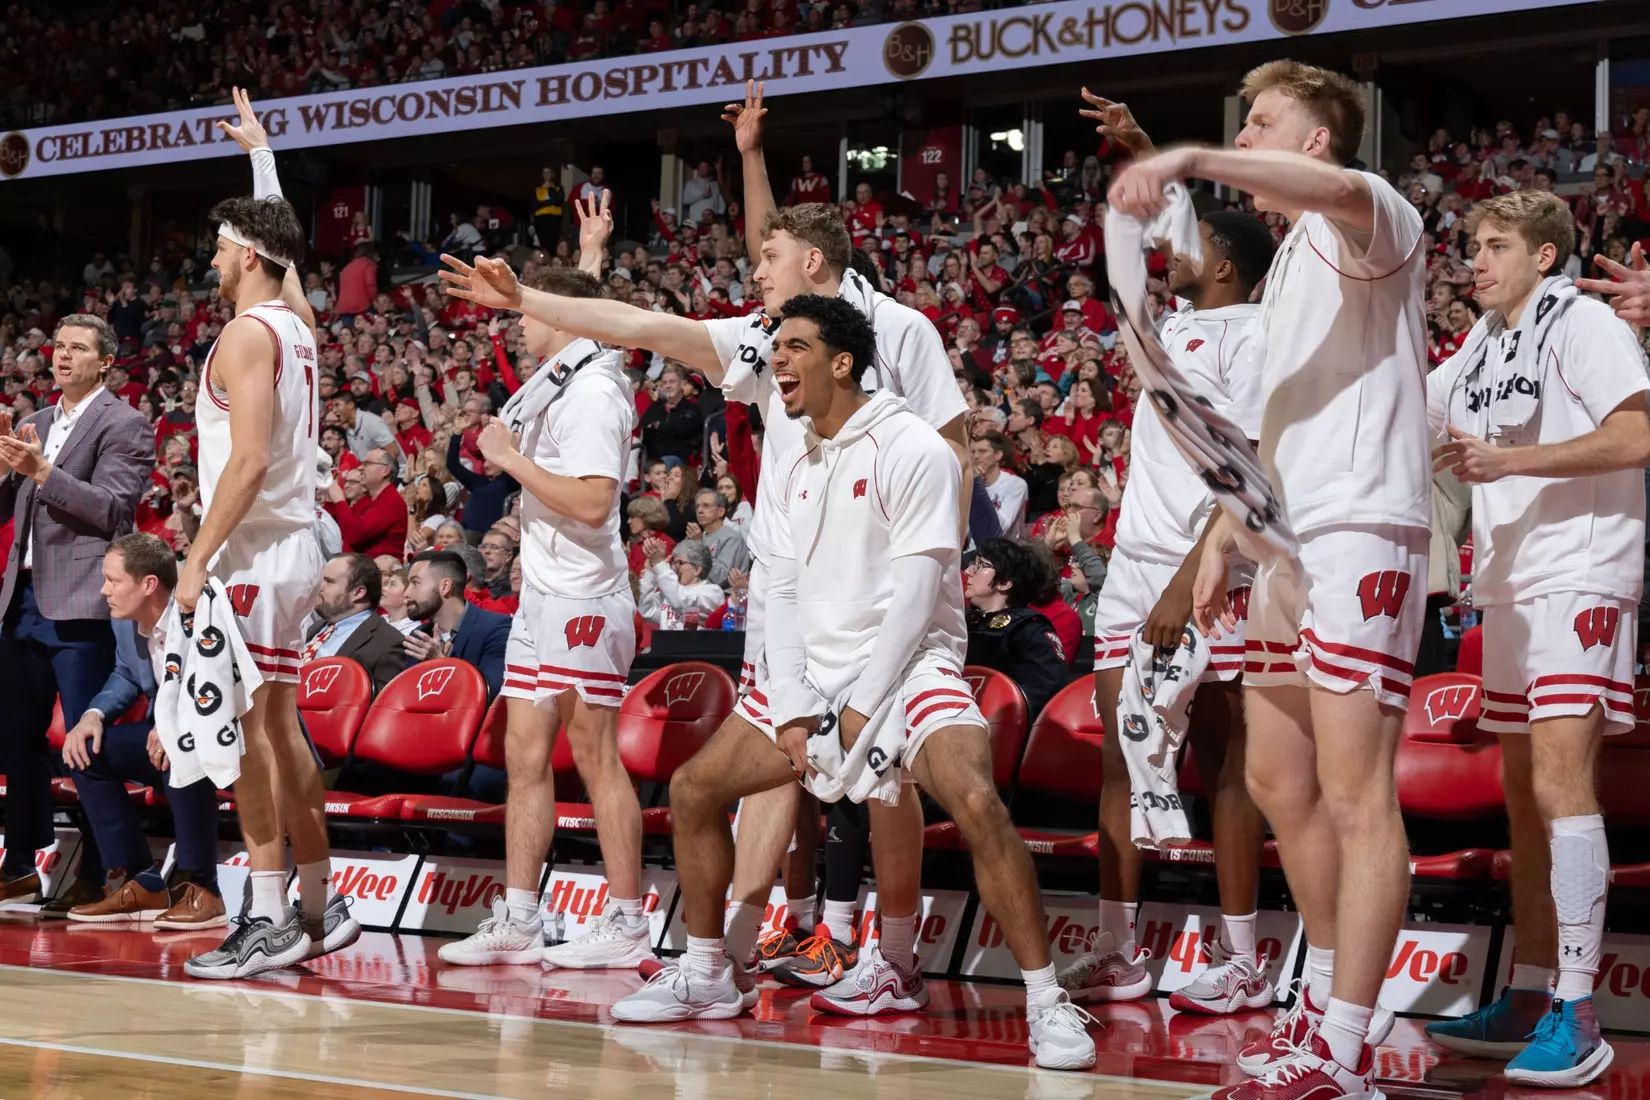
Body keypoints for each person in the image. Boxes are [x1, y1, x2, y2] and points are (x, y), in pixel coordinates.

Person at [439, 84, 969, 993]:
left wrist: (934, 568)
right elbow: (651, 325)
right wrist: (530, 295)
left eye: (767, 259)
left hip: (887, 586)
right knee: (767, 763)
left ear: (810, 261)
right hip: (789, 584)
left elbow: (953, 453)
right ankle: (736, 946)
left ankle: (890, 956)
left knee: (892, 778)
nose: (752, 270)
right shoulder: (768, 337)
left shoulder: (900, 329)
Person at [606, 297, 1095, 1072]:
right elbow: (782, 590)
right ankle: (706, 974)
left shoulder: (914, 446)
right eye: (776, 347)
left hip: (909, 665)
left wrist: (863, 708)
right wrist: (796, 706)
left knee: (975, 799)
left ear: (842, 363)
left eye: (795, 347)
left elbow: (916, 595)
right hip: (816, 669)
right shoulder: (794, 460)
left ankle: (1046, 1001)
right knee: (695, 788)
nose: (777, 359)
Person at [1111, 62, 1430, 1098]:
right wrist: (1223, 537)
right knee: (1279, 783)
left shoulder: (1366, 213)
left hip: (1361, 525)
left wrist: (1190, 157)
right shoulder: (1288, 262)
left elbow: (1333, 191)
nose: (1244, 134)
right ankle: (1324, 1003)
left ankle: (1346, 1047)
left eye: (1260, 122)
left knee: (1355, 789)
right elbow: (1270, 425)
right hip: (1284, 536)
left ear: (1316, 138)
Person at [1422, 191, 1650, 1087]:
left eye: (1495, 245)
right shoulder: (1482, 342)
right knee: (1521, 794)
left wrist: (1509, 460)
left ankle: (1579, 1011)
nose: (1475, 261)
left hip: (1582, 570)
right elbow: (1411, 406)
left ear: (1545, 255)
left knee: (1560, 781)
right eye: (1472, 246)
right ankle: (1527, 989)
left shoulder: (1584, 323)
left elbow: (1635, 434)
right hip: (1510, 581)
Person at [1058, 208, 1277, 1016]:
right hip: (1133, 564)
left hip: (1214, 565)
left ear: (1226, 266)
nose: (1173, 253)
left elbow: (1254, 464)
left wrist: (1191, 580)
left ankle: (1243, 958)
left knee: (1225, 761)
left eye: (1195, 247)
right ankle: (1119, 950)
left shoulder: (1256, 334)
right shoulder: (1181, 320)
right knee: (1123, 756)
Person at [175, 90, 360, 980]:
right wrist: (262, 161)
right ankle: (319, 908)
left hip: (253, 553)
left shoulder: (249, 335)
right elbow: (283, 252)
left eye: (220, 246)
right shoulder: (301, 326)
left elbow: (246, 461)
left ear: (245, 256)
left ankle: (267, 914)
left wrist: (195, 558)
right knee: (282, 732)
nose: (212, 259)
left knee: (250, 739)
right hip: (293, 547)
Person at [435, 257, 651, 972]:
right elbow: (585, 304)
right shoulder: (563, 373)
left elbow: (593, 500)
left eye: (530, 310)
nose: (519, 320)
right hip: (542, 597)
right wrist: (590, 258)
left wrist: (510, 460)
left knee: (596, 757)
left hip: (585, 597)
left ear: (557, 317)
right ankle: (521, 918)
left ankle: (628, 922)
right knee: (523, 755)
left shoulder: (593, 393)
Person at [0, 312, 151, 903]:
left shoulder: (126, 423)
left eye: (78, 348)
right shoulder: (35, 422)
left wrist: (42, 470)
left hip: (85, 600)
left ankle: (125, 871)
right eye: (58, 346)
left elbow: (113, 509)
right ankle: (21, 863)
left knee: (86, 741)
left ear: (105, 361)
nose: (62, 356)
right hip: (22, 600)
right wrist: (5, 473)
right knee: (16, 740)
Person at [60, 533, 225, 928]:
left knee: (179, 749)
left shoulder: (201, 613)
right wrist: (94, 714)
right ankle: (142, 881)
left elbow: (218, 685)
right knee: (84, 752)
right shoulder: (124, 624)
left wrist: (174, 724)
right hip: (166, 734)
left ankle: (204, 888)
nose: (103, 591)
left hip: (223, 738)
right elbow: (125, 674)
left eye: (112, 581)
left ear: (148, 584)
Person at [963, 537, 1067, 721]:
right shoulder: (962, 622)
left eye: (981, 565)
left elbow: (1043, 694)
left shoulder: (1030, 631)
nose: (968, 571)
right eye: (973, 563)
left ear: (1005, 583)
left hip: (1000, 727)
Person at [402, 550, 510, 699]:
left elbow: (490, 693)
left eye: (415, 583)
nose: (406, 593)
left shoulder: (496, 629)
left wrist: (440, 662)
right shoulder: (419, 636)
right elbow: (408, 696)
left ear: (445, 586)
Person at [302, 553, 407, 696]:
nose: (319, 587)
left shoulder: (388, 644)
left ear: (358, 592)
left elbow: (382, 704)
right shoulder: (317, 628)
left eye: (329, 581)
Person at [324, 447, 407, 559]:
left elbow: (356, 535)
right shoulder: (366, 501)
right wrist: (331, 500)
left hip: (379, 568)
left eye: (367, 464)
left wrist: (340, 501)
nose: (360, 468)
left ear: (385, 470)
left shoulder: (391, 501)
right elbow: (340, 530)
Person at [639, 538, 724, 629]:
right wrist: (651, 570)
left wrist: (659, 563)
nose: (674, 568)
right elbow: (645, 610)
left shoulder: (713, 592)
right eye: (673, 563)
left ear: (697, 570)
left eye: (680, 562)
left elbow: (680, 600)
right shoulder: (669, 593)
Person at [639, 365, 703, 464]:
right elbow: (644, 429)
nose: (668, 386)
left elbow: (684, 429)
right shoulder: (655, 407)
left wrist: (657, 425)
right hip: (651, 459)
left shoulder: (692, 409)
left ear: (682, 384)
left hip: (679, 460)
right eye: (664, 383)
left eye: (672, 382)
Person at [689, 488, 750, 588]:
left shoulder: (732, 538)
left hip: (723, 595)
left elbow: (720, 578)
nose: (700, 511)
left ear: (721, 511)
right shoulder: (698, 537)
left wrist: (700, 546)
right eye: (697, 507)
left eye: (706, 506)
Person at [973, 431, 1027, 537]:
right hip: (972, 545)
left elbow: (1001, 528)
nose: (975, 456)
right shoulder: (969, 485)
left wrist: (978, 489)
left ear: (998, 455)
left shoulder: (1016, 485)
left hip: (1003, 545)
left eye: (982, 451)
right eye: (973, 452)